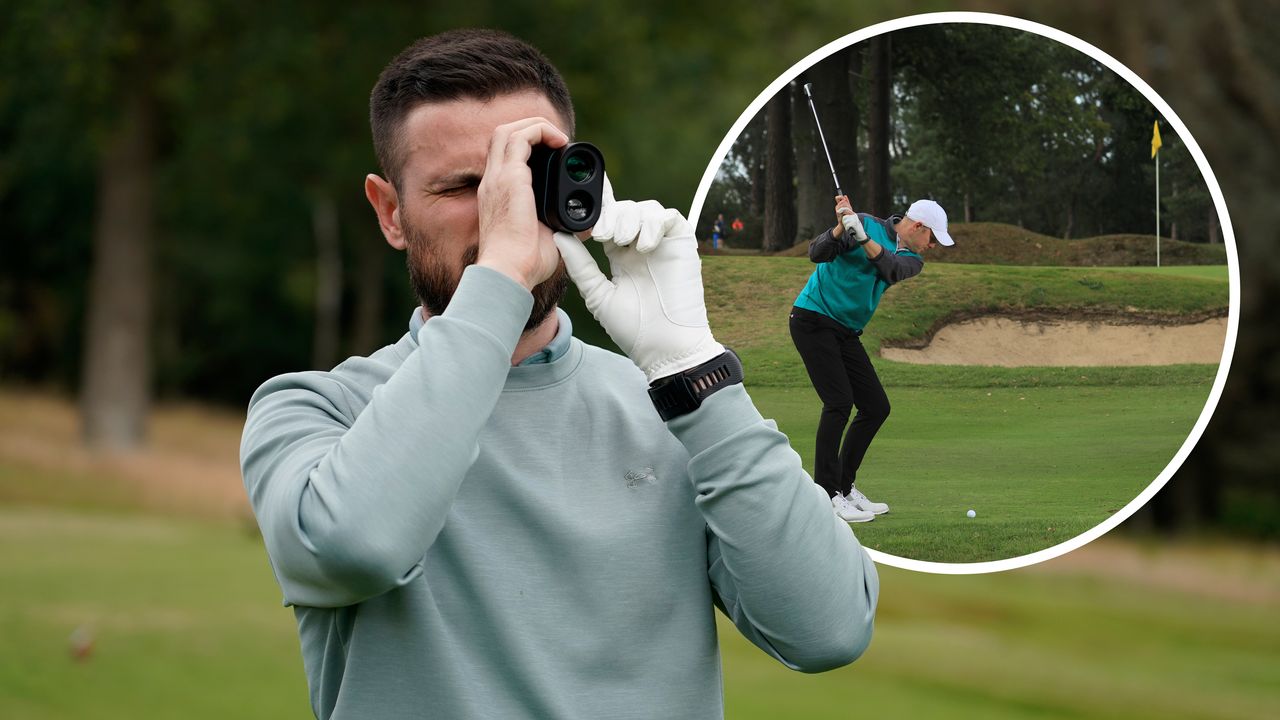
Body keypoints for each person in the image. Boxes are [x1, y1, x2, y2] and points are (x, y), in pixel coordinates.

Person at [240, 29, 878, 720]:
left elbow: (829, 629)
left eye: (528, 178)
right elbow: (355, 547)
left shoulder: (676, 410)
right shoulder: (314, 410)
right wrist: (500, 276)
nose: (504, 211)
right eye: (465, 187)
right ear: (391, 212)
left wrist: (692, 366)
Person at [789, 194, 954, 523]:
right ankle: (826, 493)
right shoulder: (861, 222)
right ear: (919, 226)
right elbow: (816, 254)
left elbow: (890, 269)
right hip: (813, 319)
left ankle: (844, 486)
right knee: (838, 402)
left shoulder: (911, 258)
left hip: (846, 331)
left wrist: (861, 239)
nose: (933, 246)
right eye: (932, 238)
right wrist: (838, 230)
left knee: (876, 406)